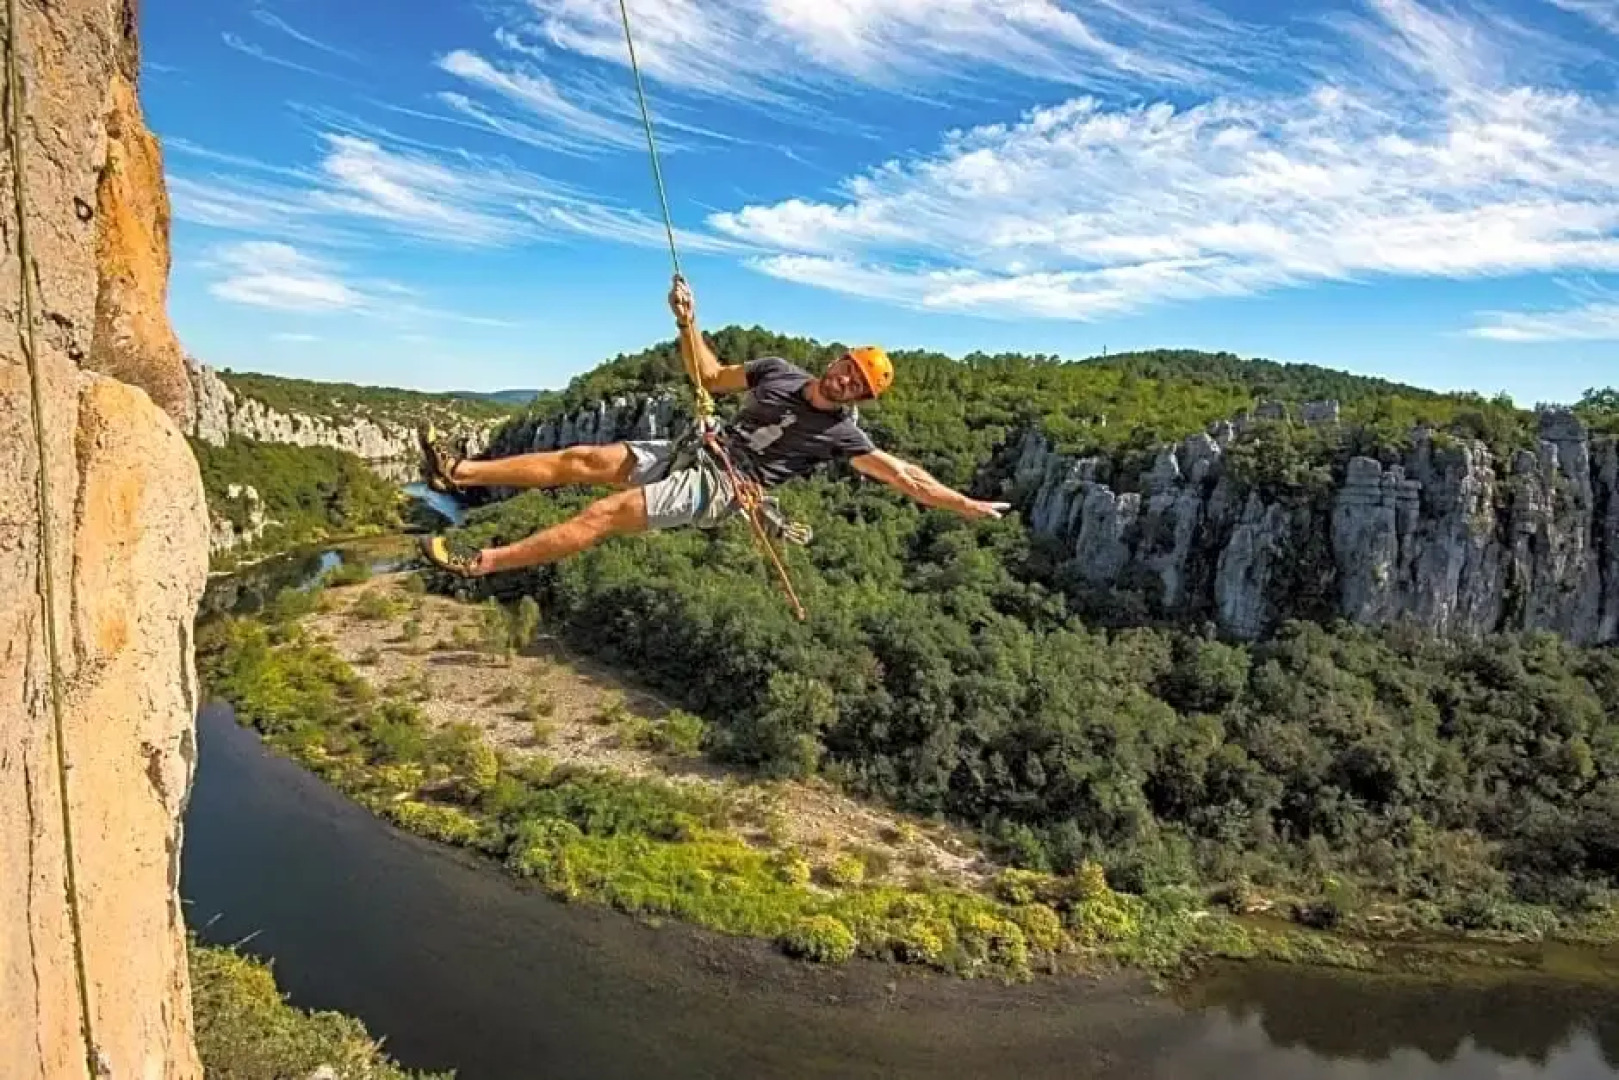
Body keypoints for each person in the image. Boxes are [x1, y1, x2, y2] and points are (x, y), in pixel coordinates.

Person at [416, 277, 1010, 578]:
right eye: (848, 370)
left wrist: (965, 506)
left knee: (602, 515)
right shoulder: (777, 372)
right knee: (582, 458)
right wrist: (688, 321)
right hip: (701, 447)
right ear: (837, 360)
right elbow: (709, 372)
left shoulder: (841, 436)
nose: (847, 383)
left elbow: (905, 477)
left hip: (722, 484)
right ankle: (458, 472)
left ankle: (480, 562)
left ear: (862, 399)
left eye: (859, 386)